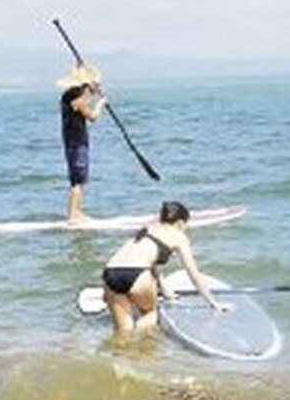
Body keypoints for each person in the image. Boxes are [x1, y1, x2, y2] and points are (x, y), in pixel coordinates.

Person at [102, 201, 229, 334]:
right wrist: (213, 303)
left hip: (110, 273)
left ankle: (120, 352)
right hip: (138, 275)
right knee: (150, 314)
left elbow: (150, 264)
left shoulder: (146, 229)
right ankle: (141, 351)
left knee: (124, 332)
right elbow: (193, 274)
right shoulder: (179, 237)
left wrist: (166, 291)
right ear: (180, 223)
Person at [58, 66, 106, 224]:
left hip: (71, 138)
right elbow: (92, 116)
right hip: (76, 141)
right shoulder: (77, 100)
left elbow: (75, 107)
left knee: (80, 178)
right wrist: (100, 104)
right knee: (78, 180)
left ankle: (78, 212)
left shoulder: (67, 96)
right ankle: (73, 215)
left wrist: (94, 94)